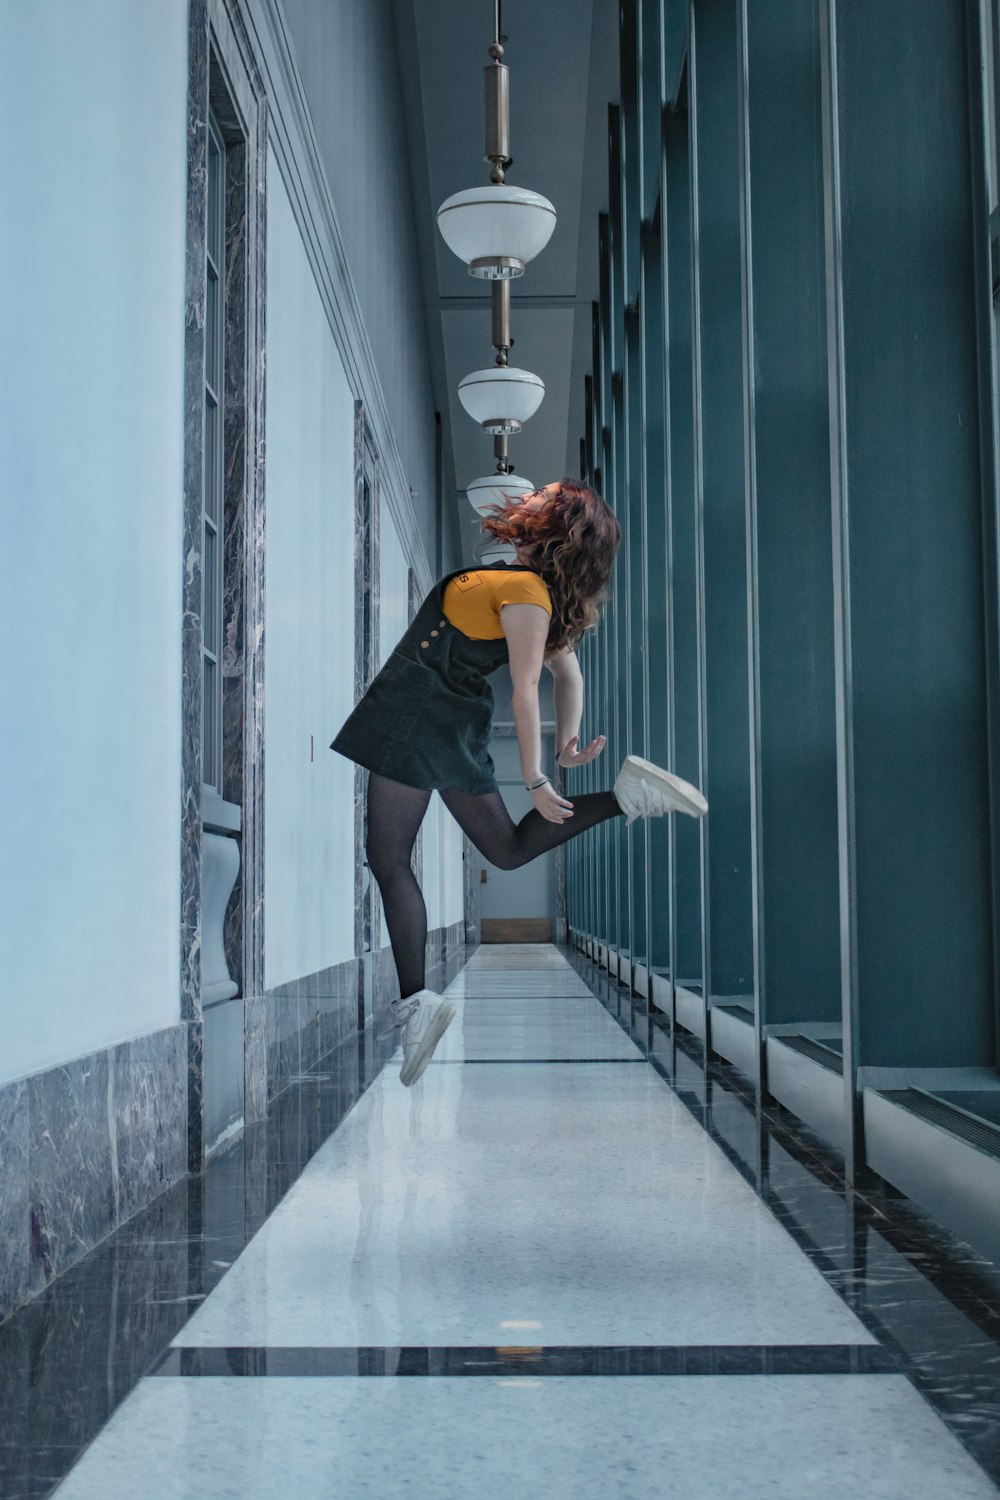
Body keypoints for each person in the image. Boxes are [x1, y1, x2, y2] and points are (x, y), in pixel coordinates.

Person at [330, 478, 707, 1086]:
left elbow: (530, 687)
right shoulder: (531, 595)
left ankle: (417, 1004)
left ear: (558, 522)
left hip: (416, 712)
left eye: (545, 492)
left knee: (388, 856)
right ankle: (626, 796)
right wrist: (567, 743)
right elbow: (570, 677)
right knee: (503, 851)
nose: (530, 491)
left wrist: (537, 774)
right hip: (447, 718)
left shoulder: (524, 592)